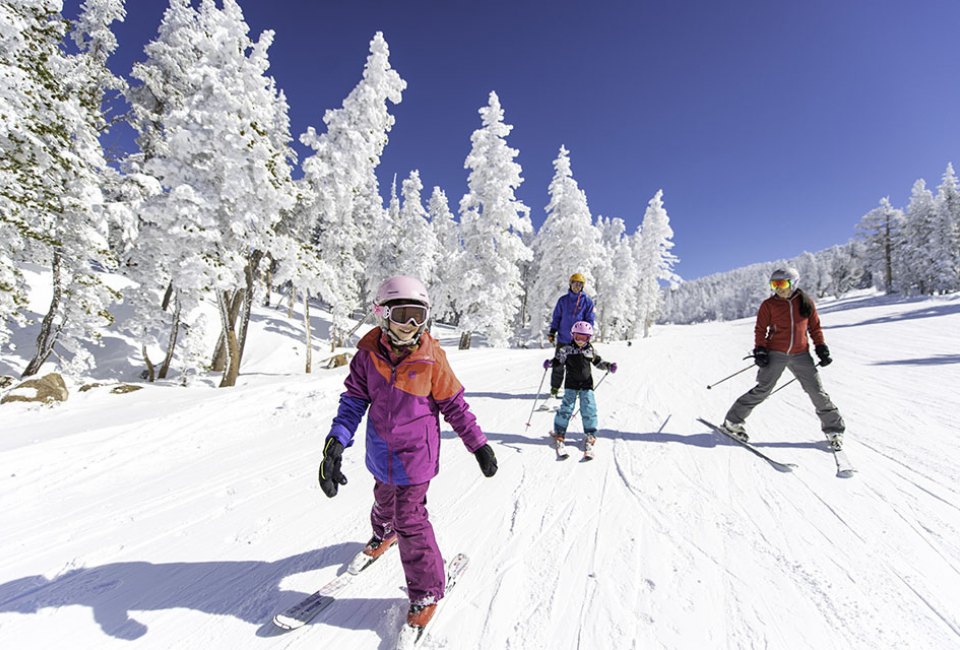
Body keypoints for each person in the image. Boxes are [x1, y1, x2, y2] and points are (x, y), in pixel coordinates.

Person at [318, 276, 498, 633]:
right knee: (383, 500)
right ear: (383, 314)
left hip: (417, 457)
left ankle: (426, 590)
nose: (412, 325)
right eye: (403, 315)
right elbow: (354, 400)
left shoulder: (432, 358)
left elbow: (455, 406)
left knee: (410, 520)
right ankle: (383, 531)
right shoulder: (368, 355)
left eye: (419, 316)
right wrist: (337, 441)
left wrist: (478, 444)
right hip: (381, 453)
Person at [722, 267, 846, 449]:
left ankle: (834, 429)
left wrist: (821, 347)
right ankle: (732, 421)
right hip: (775, 353)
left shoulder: (806, 303)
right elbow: (760, 329)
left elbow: (815, 328)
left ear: (793, 283)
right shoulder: (769, 305)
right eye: (774, 284)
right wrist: (760, 350)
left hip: (801, 354)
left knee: (816, 391)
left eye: (782, 284)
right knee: (763, 389)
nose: (778, 288)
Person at [544, 321, 617, 456]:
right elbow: (558, 361)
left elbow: (598, 362)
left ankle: (590, 433)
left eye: (584, 338)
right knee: (567, 408)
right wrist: (550, 363)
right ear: (573, 335)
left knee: (589, 407)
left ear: (589, 338)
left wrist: (608, 366)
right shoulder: (566, 349)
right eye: (578, 337)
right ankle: (559, 431)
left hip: (586, 384)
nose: (581, 341)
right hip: (571, 384)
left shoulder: (590, 350)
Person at [547, 272, 595, 397]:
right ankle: (555, 388)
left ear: (582, 286)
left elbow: (589, 319)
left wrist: (586, 335)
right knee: (559, 365)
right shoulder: (563, 300)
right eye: (575, 283)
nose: (577, 286)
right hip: (563, 338)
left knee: (578, 367)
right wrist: (552, 331)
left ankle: (578, 389)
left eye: (580, 284)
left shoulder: (587, 302)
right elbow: (556, 317)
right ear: (570, 284)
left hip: (579, 341)